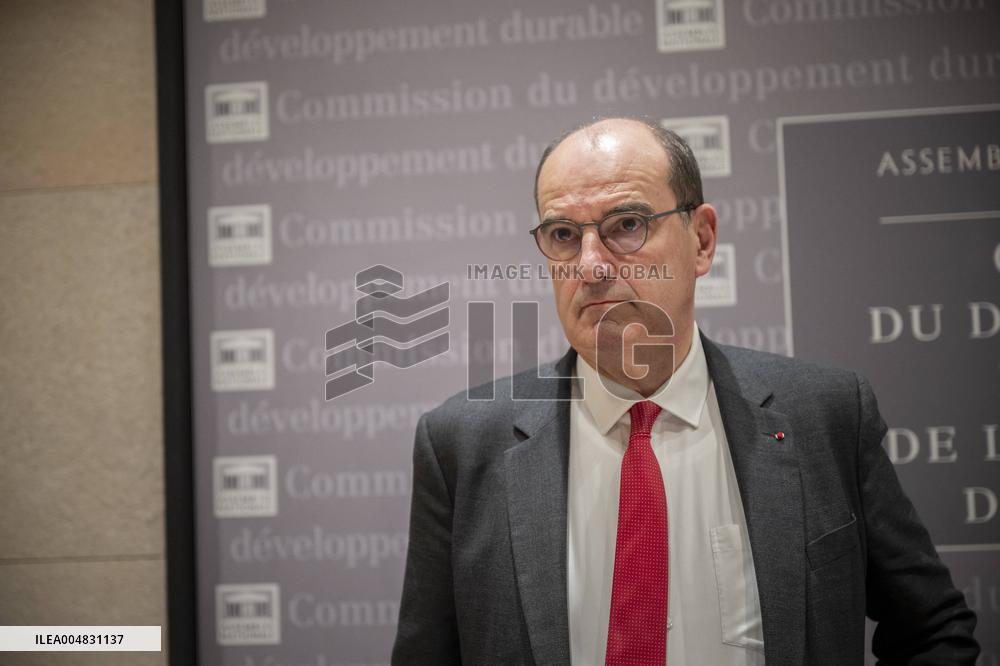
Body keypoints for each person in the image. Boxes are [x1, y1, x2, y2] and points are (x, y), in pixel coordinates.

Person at [391, 117, 979, 665]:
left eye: (626, 225)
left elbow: (933, 631)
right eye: (564, 234)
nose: (591, 265)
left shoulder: (824, 414)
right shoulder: (462, 446)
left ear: (701, 240)